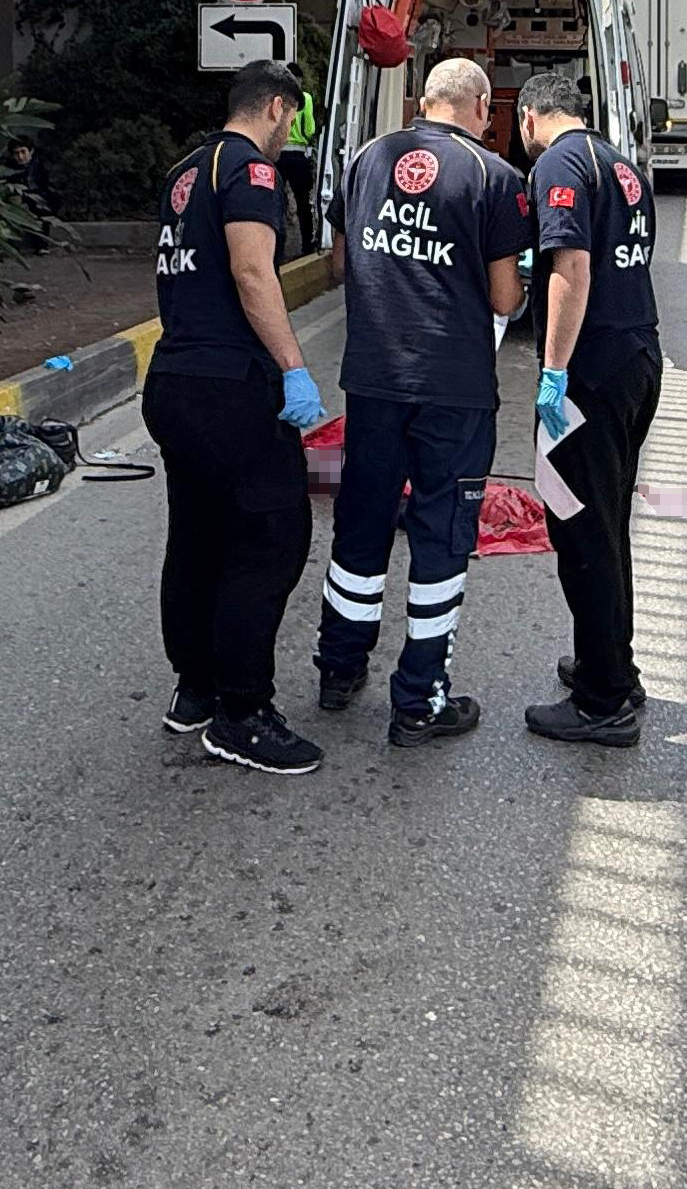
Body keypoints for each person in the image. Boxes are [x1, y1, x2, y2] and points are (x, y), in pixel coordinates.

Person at [314, 57, 530, 745]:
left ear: (422, 100)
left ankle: (338, 671)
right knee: (441, 538)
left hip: (374, 379)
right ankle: (418, 700)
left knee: (361, 525)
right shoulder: (496, 180)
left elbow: (341, 264)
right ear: (477, 110)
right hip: (454, 388)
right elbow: (504, 297)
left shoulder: (369, 159)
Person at [147, 59, 332, 775]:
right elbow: (253, 273)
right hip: (232, 386)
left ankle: (195, 687)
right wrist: (293, 367)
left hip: (176, 380)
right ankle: (243, 713)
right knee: (272, 538)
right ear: (279, 108)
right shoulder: (254, 173)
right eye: (295, 118)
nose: (293, 132)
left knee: (197, 536)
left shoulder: (185, 171)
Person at [517, 69, 662, 746]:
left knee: (580, 532)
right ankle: (613, 666)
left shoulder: (557, 165)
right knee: (609, 525)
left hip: (591, 373)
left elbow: (571, 271)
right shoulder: (621, 165)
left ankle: (603, 701)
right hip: (637, 356)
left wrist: (552, 372)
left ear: (528, 119)